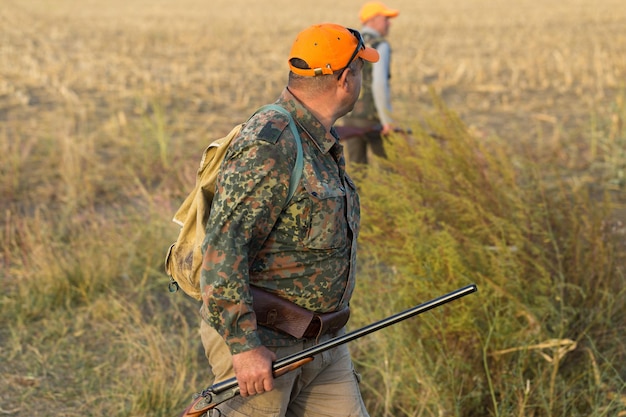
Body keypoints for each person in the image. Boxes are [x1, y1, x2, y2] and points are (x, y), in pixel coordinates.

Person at [199, 23, 379, 417]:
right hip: (266, 347)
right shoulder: (272, 144)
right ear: (346, 79)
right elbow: (221, 252)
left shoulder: (319, 138)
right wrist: (245, 348)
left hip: (324, 343)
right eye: (362, 69)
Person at [342, 1, 399, 165]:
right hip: (372, 119)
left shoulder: (350, 43)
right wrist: (387, 120)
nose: (389, 23)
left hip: (350, 116)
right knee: (390, 167)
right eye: (385, 19)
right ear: (372, 19)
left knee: (357, 171)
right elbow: (379, 84)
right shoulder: (380, 45)